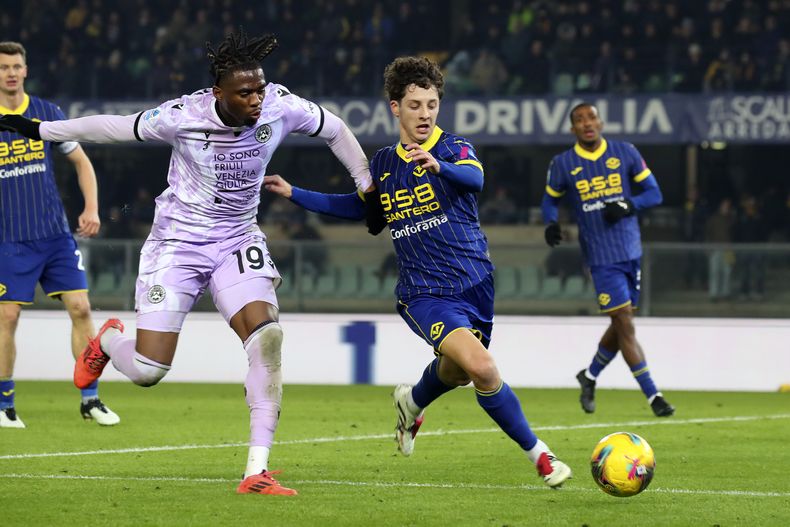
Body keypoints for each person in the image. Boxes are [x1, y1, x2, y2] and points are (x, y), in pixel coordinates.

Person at [0, 30, 373, 494]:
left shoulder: (280, 104)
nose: (257, 99)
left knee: (268, 338)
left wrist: (365, 184)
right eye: (245, 92)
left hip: (237, 239)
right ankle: (110, 339)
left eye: (259, 88)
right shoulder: (183, 116)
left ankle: (256, 471)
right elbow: (114, 126)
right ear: (219, 93)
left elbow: (334, 128)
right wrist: (41, 130)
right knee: (148, 371)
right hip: (177, 244)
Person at [263, 56, 572, 489]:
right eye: (415, 105)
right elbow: (359, 208)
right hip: (424, 292)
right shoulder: (385, 164)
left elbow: (474, 179)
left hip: (476, 284)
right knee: (482, 368)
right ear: (395, 107)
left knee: (458, 372)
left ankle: (412, 401)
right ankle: (542, 457)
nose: (425, 113)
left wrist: (438, 166)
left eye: (431, 104)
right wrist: (294, 192)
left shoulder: (453, 149)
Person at [0, 41, 119, 429]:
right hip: (9, 238)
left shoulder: (46, 113)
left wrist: (91, 207)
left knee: (82, 308)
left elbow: (81, 162)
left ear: (26, 69)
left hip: (54, 235)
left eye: (17, 65)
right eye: (4, 67)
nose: (11, 73)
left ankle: (91, 399)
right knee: (8, 316)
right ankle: (4, 405)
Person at [542, 102, 675, 418]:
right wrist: (550, 222)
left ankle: (588, 377)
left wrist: (629, 205)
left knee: (620, 324)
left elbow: (654, 194)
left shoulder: (625, 152)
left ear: (600, 122)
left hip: (632, 252)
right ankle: (653, 395)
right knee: (625, 324)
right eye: (579, 120)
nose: (586, 123)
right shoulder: (563, 163)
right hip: (601, 258)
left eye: (591, 117)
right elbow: (550, 198)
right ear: (573, 129)